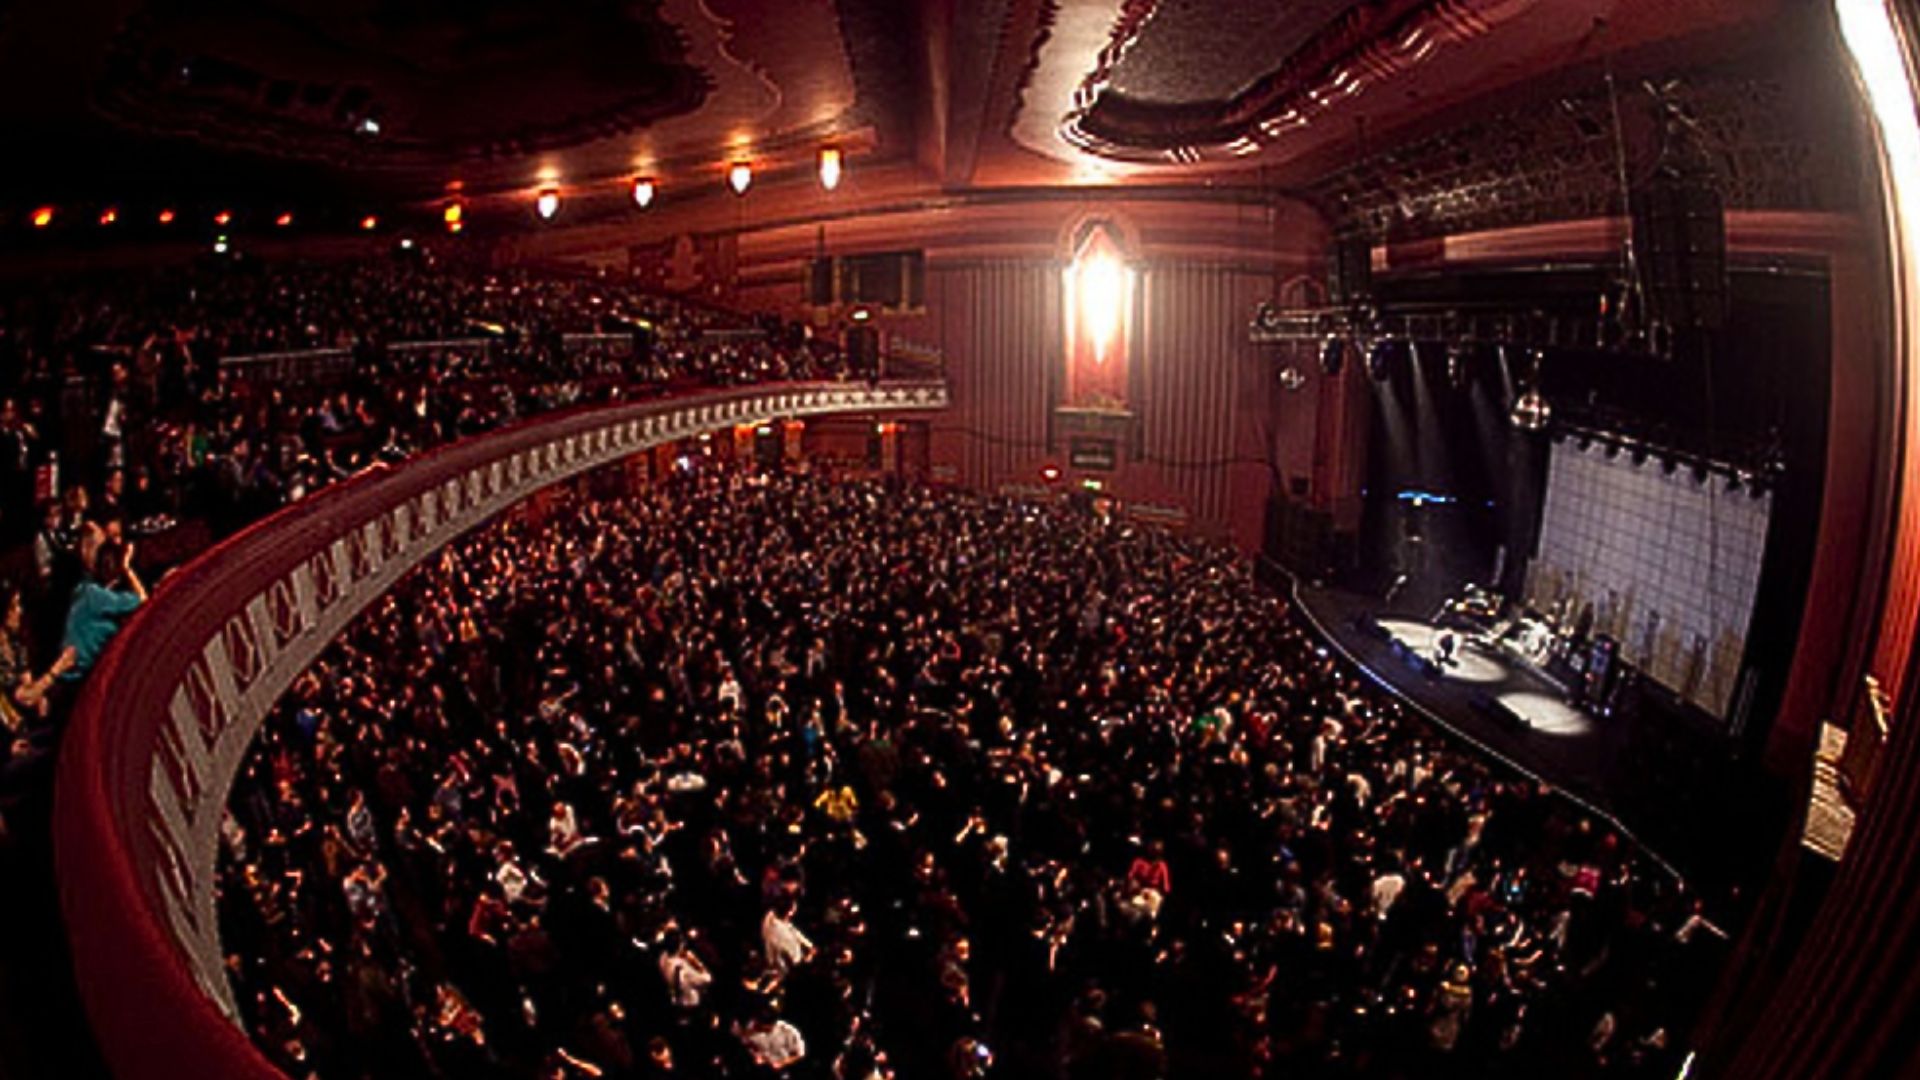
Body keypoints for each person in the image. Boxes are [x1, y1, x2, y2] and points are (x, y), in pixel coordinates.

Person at [60, 538, 146, 683]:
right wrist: (127, 568)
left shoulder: (84, 590)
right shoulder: (98, 597)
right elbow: (143, 601)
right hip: (77, 680)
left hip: (76, 675)